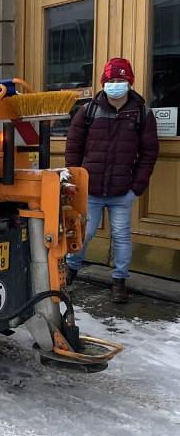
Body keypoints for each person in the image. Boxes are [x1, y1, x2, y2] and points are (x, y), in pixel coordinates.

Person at [65, 57, 159, 303]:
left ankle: (119, 280)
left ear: (129, 82)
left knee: (121, 235)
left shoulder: (141, 113)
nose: (116, 84)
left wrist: (136, 188)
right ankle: (70, 269)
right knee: (84, 233)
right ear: (104, 83)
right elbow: (73, 147)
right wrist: (74, 180)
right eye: (112, 80)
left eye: (121, 80)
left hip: (122, 191)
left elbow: (149, 152)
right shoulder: (89, 111)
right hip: (91, 190)